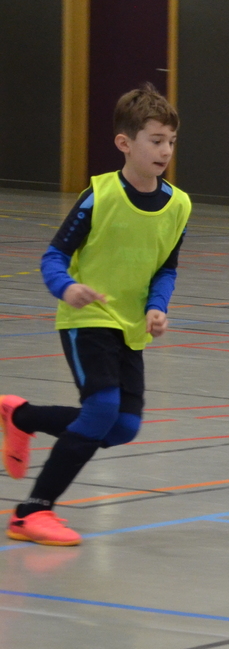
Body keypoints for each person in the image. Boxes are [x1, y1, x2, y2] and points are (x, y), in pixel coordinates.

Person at [1, 85, 191, 546]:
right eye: (155, 140)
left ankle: (22, 416)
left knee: (123, 426)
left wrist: (157, 307)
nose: (165, 150)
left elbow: (166, 269)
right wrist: (67, 288)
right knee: (101, 409)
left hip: (130, 326)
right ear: (125, 143)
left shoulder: (179, 205)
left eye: (170, 140)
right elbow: (53, 257)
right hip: (86, 319)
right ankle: (32, 511)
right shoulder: (99, 196)